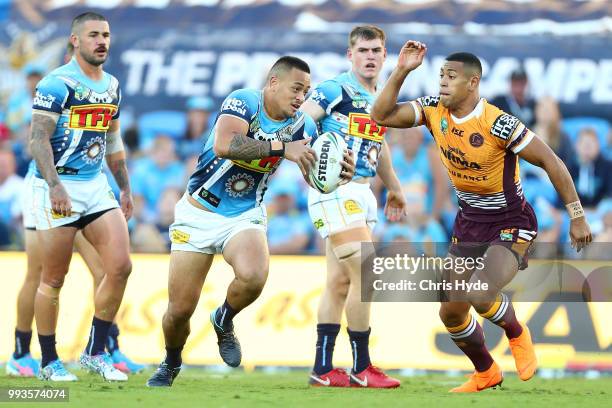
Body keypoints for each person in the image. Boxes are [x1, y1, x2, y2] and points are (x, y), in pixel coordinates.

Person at [371, 41, 592, 392]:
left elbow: (552, 161)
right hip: (469, 222)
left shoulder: (499, 124)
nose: (442, 82)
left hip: (511, 221)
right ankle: (486, 370)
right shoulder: (432, 110)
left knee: (479, 292)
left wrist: (576, 215)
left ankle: (517, 333)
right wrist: (401, 71)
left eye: (452, 76)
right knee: (451, 312)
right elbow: (379, 115)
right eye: (441, 75)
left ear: (472, 83)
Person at [146, 56, 354, 387]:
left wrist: (337, 173)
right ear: (273, 83)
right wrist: (281, 147)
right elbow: (226, 144)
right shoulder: (243, 101)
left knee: (254, 276)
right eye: (296, 88)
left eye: (306, 91)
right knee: (179, 311)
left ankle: (223, 318)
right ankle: (171, 362)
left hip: (244, 214)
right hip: (198, 212)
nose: (301, 97)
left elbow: (314, 172)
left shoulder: (305, 127)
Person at [29, 12, 133, 382]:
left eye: (106, 34)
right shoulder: (56, 84)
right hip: (60, 186)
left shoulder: (112, 86)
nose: (102, 41)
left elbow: (113, 139)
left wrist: (124, 186)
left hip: (95, 186)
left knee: (120, 267)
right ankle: (48, 361)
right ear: (75, 40)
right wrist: (54, 185)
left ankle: (95, 351)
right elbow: (38, 138)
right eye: (93, 35)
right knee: (53, 279)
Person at [300, 25, 404, 388]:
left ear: (384, 55)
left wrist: (394, 187)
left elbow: (381, 143)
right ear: (350, 55)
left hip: (362, 194)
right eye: (363, 50)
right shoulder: (334, 89)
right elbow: (299, 123)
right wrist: (312, 158)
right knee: (367, 271)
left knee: (340, 281)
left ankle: (322, 368)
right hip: (334, 191)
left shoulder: (381, 99)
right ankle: (362, 367)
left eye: (376, 50)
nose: (370, 56)